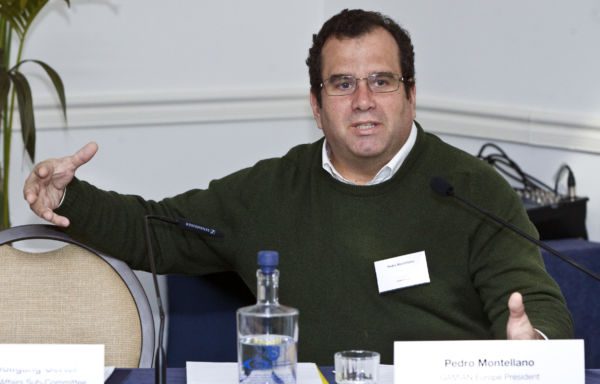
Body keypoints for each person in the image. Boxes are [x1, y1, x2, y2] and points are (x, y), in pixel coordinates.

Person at [23, 9, 573, 364]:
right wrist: (70, 197)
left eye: (381, 81)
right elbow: (159, 231)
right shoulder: (271, 191)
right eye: (343, 84)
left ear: (410, 94)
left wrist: (536, 349)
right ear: (316, 104)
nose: (363, 101)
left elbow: (533, 302)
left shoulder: (472, 189)